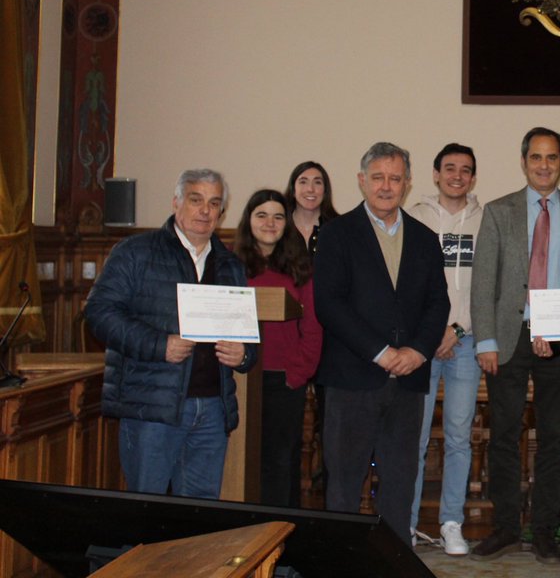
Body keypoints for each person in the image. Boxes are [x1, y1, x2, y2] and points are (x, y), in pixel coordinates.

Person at [86, 169, 257, 499]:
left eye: (214, 203)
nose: (205, 211)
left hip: (212, 410)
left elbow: (247, 338)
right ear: (176, 202)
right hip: (152, 409)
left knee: (197, 522)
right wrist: (158, 345)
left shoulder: (230, 265)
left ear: (223, 211)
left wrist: (245, 355)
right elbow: (99, 313)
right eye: (196, 200)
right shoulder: (135, 252)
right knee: (145, 515)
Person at [314, 143, 450, 538]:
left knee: (400, 484)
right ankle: (340, 566)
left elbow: (437, 303)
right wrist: (381, 352)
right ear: (361, 181)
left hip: (408, 381)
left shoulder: (425, 238)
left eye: (395, 178)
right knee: (343, 483)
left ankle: (392, 565)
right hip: (352, 378)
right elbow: (329, 304)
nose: (386, 186)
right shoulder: (337, 234)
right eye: (378, 178)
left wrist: (419, 351)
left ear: (407, 184)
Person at [469, 127, 560, 564]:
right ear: (524, 162)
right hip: (508, 337)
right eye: (536, 158)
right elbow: (483, 281)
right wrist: (485, 340)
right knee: (503, 434)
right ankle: (504, 527)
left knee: (555, 437)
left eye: (552, 158)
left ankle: (543, 531)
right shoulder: (499, 211)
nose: (544, 165)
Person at [408, 143, 483, 556]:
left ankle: (451, 522)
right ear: (435, 174)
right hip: (420, 345)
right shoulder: (414, 218)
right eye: (449, 168)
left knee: (458, 436)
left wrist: (456, 328)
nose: (457, 175)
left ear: (473, 178)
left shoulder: (484, 220)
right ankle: (407, 523)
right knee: (414, 439)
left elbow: (485, 285)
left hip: (466, 343)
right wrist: (431, 333)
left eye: (465, 170)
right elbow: (406, 282)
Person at [233, 188, 322, 507]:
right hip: (238, 379)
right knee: (241, 461)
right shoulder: (231, 267)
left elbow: (312, 327)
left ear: (287, 224)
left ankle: (281, 535)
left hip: (283, 379)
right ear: (249, 221)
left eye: (278, 216)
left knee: (280, 463)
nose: (270, 223)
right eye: (262, 215)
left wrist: (298, 373)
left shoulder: (300, 269)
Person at [285, 161, 339, 254]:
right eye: (303, 182)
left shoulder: (339, 228)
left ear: (325, 190)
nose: (310, 189)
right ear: (293, 189)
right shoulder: (280, 226)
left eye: (317, 182)